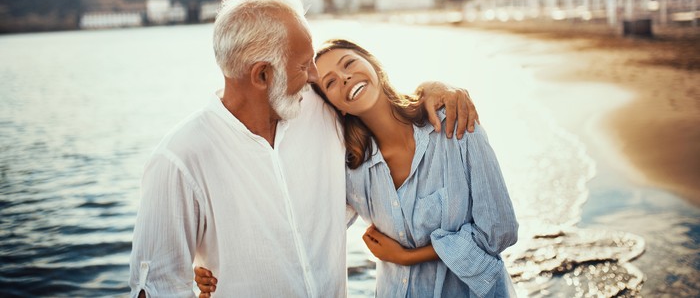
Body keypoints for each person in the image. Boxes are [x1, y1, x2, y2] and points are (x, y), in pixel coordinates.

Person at [129, 0, 477, 297]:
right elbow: (156, 289)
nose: (314, 75)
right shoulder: (179, 161)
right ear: (262, 75)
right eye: (302, 67)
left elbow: (384, 101)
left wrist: (435, 89)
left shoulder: (323, 105)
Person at [195, 38, 518, 297]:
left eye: (349, 63)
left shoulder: (452, 124)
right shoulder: (350, 170)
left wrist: (408, 256)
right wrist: (217, 263)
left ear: (373, 64)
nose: (345, 77)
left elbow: (499, 232)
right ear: (332, 104)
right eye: (331, 82)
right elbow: (297, 230)